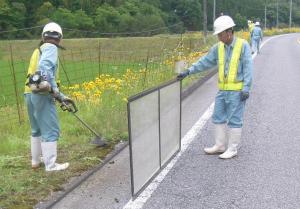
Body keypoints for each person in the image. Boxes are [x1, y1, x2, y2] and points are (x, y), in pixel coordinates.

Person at [177, 15, 253, 159]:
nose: (218, 37)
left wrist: (246, 88)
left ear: (229, 32)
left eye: (220, 34)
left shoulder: (242, 45)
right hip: (222, 91)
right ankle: (220, 145)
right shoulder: (218, 47)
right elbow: (204, 62)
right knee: (218, 117)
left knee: (234, 119)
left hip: (237, 91)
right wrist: (188, 71)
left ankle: (232, 148)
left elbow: (248, 68)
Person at [24, 22, 72, 171]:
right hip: (42, 94)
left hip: (29, 93)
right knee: (51, 129)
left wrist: (61, 96)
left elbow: (38, 75)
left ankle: (35, 162)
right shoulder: (51, 48)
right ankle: (51, 166)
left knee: (36, 129)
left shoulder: (38, 50)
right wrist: (55, 92)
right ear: (60, 38)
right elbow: (44, 69)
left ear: (43, 36)